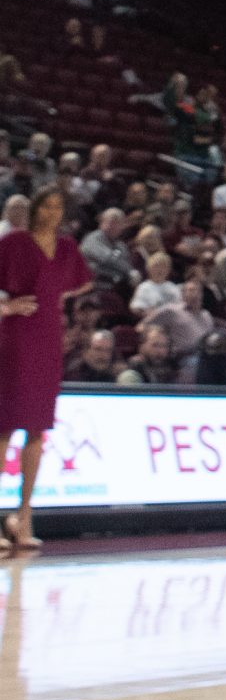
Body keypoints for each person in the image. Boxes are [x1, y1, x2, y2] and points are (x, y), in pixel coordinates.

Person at [0, 186, 93, 551]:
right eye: (46, 205)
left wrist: (58, 296)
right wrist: (6, 308)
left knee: (38, 429)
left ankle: (23, 516)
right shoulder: (14, 242)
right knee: (4, 427)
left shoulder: (68, 247)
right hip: (16, 336)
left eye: (58, 206)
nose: (52, 212)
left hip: (47, 337)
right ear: (35, 207)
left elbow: (82, 281)